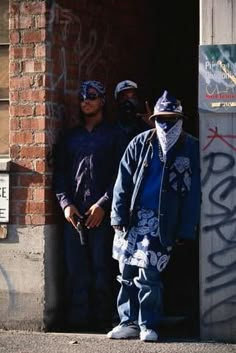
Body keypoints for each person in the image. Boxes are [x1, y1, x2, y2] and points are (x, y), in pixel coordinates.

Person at [107, 90, 201, 341]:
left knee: (149, 276)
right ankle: (128, 322)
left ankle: (148, 323)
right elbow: (122, 182)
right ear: (154, 119)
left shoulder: (190, 147)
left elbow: (194, 193)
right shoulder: (140, 142)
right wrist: (117, 216)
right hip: (132, 221)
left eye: (172, 119)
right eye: (161, 119)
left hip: (162, 222)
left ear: (181, 119)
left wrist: (185, 228)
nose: (166, 125)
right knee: (126, 273)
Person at [53, 80, 126, 332]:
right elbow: (59, 174)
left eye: (92, 96)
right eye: (82, 96)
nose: (86, 100)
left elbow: (121, 175)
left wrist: (103, 205)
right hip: (74, 216)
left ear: (102, 100)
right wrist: (65, 204)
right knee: (75, 270)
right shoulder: (70, 137)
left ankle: (104, 321)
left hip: (102, 216)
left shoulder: (116, 135)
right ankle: (78, 323)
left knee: (102, 267)